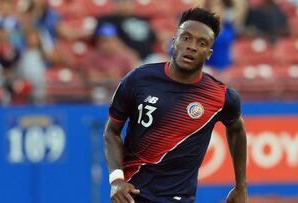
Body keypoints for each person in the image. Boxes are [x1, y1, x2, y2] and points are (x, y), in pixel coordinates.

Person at [103, 7, 248, 203]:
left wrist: (241, 187)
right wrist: (116, 179)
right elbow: (111, 132)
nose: (192, 46)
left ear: (209, 54)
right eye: (186, 38)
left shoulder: (221, 96)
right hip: (131, 196)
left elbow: (237, 129)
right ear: (174, 42)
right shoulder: (138, 79)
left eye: (202, 43)